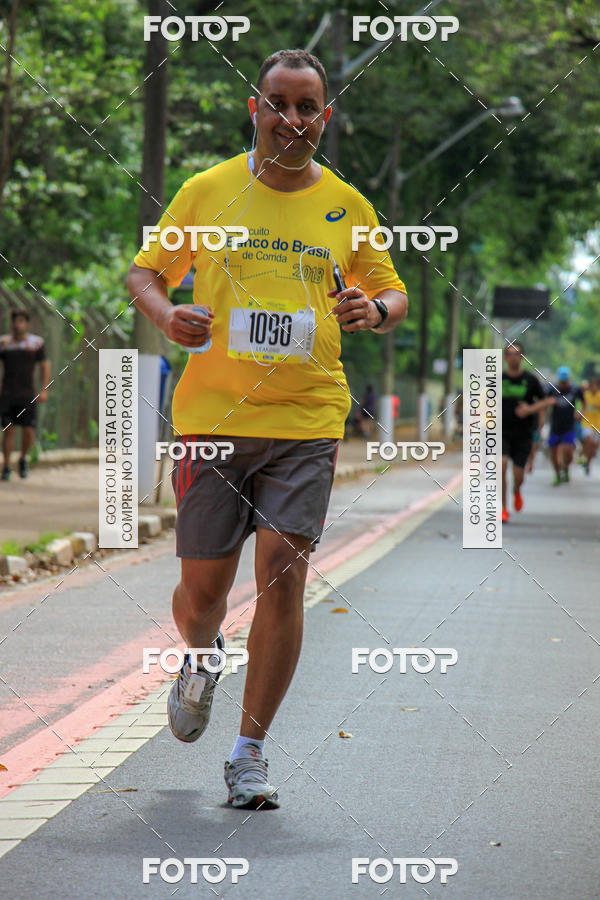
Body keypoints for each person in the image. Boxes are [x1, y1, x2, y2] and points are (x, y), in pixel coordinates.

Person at [127, 49, 408, 810]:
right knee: (201, 592)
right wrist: (167, 315)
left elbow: (391, 291)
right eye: (278, 103)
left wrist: (373, 311)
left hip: (308, 415)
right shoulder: (208, 191)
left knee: (283, 569)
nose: (292, 119)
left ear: (326, 116)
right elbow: (144, 273)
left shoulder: (347, 207)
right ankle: (200, 654)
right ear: (255, 109)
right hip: (214, 419)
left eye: (307, 106)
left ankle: (248, 753)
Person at [0, 309, 50, 481]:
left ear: (26, 324)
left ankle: (22, 458)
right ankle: (6, 465)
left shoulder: (36, 343)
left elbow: (44, 366)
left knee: (29, 430)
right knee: (9, 429)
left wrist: (44, 389)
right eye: (15, 321)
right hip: (7, 393)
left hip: (27, 394)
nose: (17, 324)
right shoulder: (4, 343)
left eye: (21, 321)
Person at [501, 342, 547, 523]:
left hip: (524, 434)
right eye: (510, 354)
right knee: (501, 465)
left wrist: (529, 410)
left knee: (518, 476)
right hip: (502, 432)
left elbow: (546, 401)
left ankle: (517, 491)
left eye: (517, 354)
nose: (513, 357)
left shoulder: (531, 380)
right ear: (505, 358)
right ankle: (503, 508)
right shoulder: (496, 379)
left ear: (522, 358)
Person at [546, 365, 584, 485]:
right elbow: (544, 402)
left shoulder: (575, 389)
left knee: (567, 450)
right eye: (561, 381)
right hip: (555, 426)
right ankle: (557, 474)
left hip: (569, 426)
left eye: (565, 380)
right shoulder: (552, 389)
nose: (563, 383)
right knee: (553, 452)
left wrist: (581, 412)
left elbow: (584, 402)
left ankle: (566, 468)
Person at [581, 373, 600, 475]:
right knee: (589, 440)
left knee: (594, 446)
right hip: (587, 423)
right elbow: (582, 407)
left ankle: (587, 462)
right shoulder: (585, 395)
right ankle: (584, 454)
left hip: (598, 424)